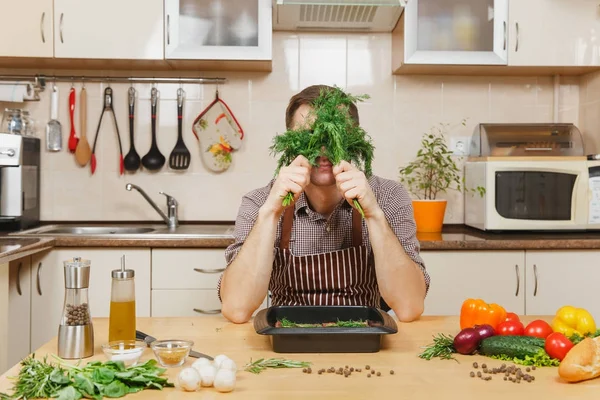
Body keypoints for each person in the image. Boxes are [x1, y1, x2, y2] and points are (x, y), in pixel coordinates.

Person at [218, 84, 430, 324]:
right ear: (288, 142)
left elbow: (410, 307)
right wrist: (269, 213)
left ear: (355, 140)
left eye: (335, 134)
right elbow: (236, 309)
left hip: (364, 344)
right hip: (286, 344)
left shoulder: (388, 196)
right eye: (308, 135)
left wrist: (374, 215)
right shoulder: (259, 202)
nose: (322, 148)